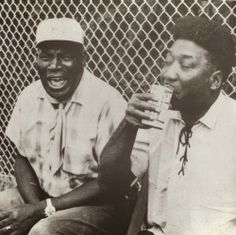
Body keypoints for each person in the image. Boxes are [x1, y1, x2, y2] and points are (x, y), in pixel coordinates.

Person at [98, 15, 236, 235]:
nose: (167, 74)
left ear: (215, 80)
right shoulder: (157, 117)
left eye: (186, 65)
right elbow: (109, 183)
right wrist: (129, 125)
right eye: (167, 61)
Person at [0, 17, 131, 235]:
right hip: (42, 198)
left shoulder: (108, 102)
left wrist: (41, 212)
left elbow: (109, 184)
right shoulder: (29, 97)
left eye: (65, 57)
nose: (54, 66)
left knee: (44, 231)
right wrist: (35, 208)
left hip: (98, 207)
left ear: (82, 59)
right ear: (36, 60)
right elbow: (21, 157)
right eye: (46, 57)